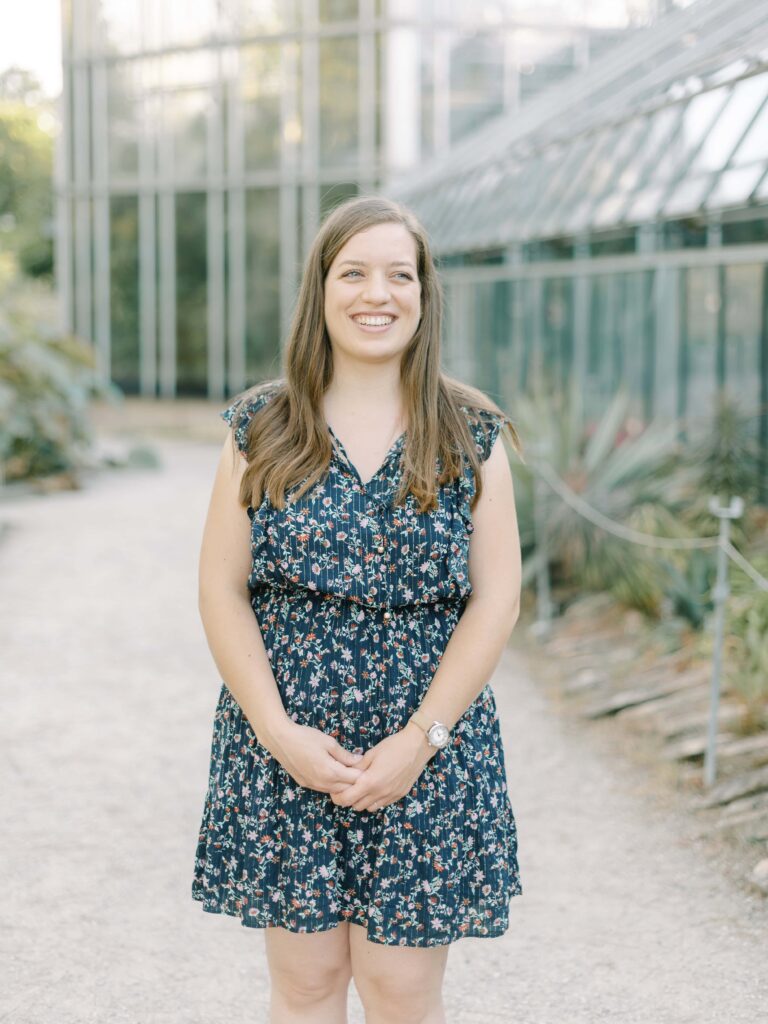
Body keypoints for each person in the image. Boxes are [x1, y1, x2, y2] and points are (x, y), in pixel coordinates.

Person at [192, 194, 524, 1024]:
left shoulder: (470, 431)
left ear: (423, 293)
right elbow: (221, 589)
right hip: (288, 745)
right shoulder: (261, 426)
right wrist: (277, 733)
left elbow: (498, 597)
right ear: (322, 289)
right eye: (355, 273)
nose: (378, 293)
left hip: (430, 748)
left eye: (399, 274)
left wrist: (421, 742)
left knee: (402, 989)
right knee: (304, 988)